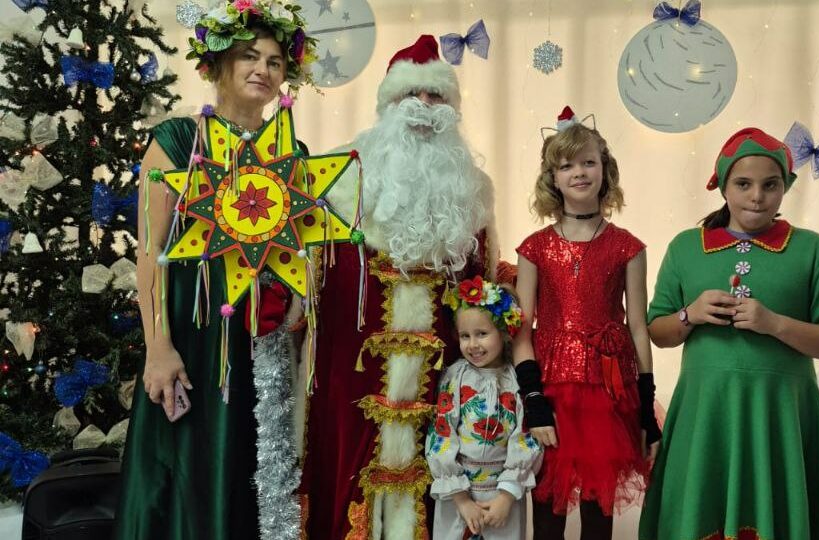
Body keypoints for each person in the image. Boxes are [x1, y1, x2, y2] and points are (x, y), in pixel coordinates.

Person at [116, 2, 315, 538]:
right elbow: (150, 252)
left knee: (254, 464)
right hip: (191, 333)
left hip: (260, 340)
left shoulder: (291, 151)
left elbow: (297, 252)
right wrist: (158, 347)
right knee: (188, 462)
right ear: (219, 63)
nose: (263, 69)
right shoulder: (177, 141)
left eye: (275, 61)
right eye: (249, 56)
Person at [297, 35, 499, 539]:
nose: (424, 107)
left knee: (436, 475)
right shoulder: (338, 176)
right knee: (348, 473)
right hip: (352, 368)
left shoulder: (472, 190)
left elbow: (483, 284)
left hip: (441, 377)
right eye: (413, 94)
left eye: (436, 96)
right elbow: (305, 277)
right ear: (388, 102)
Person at [637, 127, 819, 540]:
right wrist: (691, 314)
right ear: (723, 186)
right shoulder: (686, 247)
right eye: (743, 184)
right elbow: (658, 331)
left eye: (770, 185)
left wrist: (774, 324)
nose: (757, 196)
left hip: (779, 416)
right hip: (706, 414)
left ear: (785, 187)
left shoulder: (813, 250)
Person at [511, 107, 660, 540]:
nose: (578, 172)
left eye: (588, 162)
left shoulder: (627, 247)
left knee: (599, 514)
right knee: (547, 514)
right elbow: (522, 330)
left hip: (608, 394)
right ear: (552, 178)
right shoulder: (535, 248)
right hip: (551, 390)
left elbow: (637, 327)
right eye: (566, 165)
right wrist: (534, 400)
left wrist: (646, 407)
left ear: (604, 170)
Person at [426, 276, 542, 539]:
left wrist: (506, 496)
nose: (472, 344)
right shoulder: (454, 378)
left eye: (482, 334)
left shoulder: (516, 379)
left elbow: (526, 437)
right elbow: (441, 434)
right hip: (458, 498)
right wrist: (462, 500)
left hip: (502, 501)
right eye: (465, 336)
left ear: (503, 333)